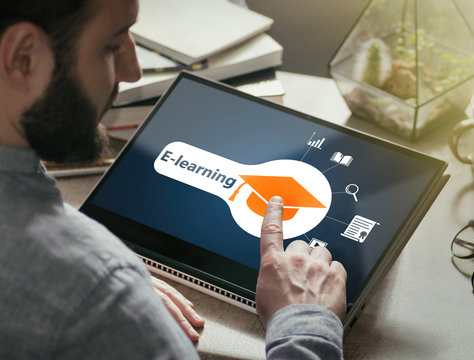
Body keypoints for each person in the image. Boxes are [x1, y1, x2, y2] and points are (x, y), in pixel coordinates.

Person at [0, 0, 347, 359]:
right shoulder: (102, 298)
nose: (133, 70)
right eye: (113, 45)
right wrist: (307, 325)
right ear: (23, 57)